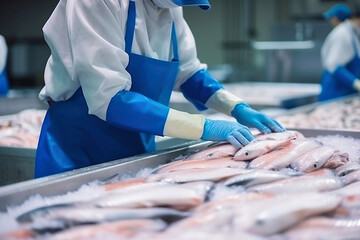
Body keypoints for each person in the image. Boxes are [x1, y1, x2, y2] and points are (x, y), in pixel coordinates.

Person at [35, 0, 284, 178]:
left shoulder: (169, 8)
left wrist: (236, 106)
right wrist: (203, 126)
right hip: (79, 149)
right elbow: (108, 99)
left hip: (136, 148)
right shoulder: (95, 3)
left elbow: (189, 73)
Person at [319, 4, 360, 101]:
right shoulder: (342, 34)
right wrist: (355, 83)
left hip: (347, 92)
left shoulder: (353, 33)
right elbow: (334, 65)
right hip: (336, 91)